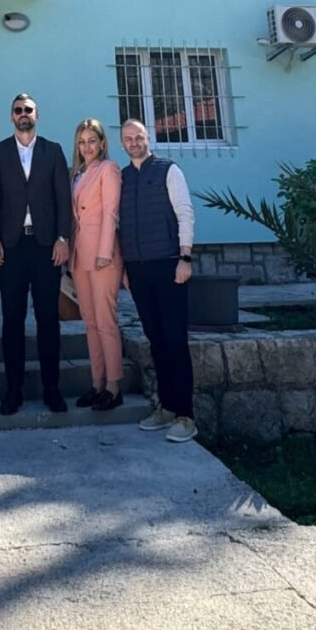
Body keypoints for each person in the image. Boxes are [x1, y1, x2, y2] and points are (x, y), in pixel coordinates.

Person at [0, 93, 71, 415]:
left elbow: (63, 199)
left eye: (29, 110)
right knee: (12, 320)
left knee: (48, 319)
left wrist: (63, 238)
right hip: (11, 247)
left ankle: (52, 389)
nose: (24, 114)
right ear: (11, 116)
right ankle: (14, 390)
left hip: (46, 246)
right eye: (18, 110)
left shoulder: (53, 151)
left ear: (37, 115)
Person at [118, 119, 198, 443]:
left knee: (175, 339)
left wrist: (185, 257)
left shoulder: (168, 170)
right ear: (122, 143)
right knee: (156, 340)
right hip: (137, 270)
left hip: (169, 265)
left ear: (147, 138)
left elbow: (185, 213)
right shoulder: (122, 178)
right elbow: (120, 224)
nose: (134, 142)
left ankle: (186, 416)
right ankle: (166, 408)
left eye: (138, 137)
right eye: (128, 139)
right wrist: (124, 268)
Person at [69, 119, 125, 411]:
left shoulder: (109, 169)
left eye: (92, 141)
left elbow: (110, 212)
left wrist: (104, 252)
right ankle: (97, 383)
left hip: (102, 256)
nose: (87, 147)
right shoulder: (77, 173)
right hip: (80, 255)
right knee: (90, 322)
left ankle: (114, 387)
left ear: (102, 143)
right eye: (82, 142)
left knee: (106, 321)